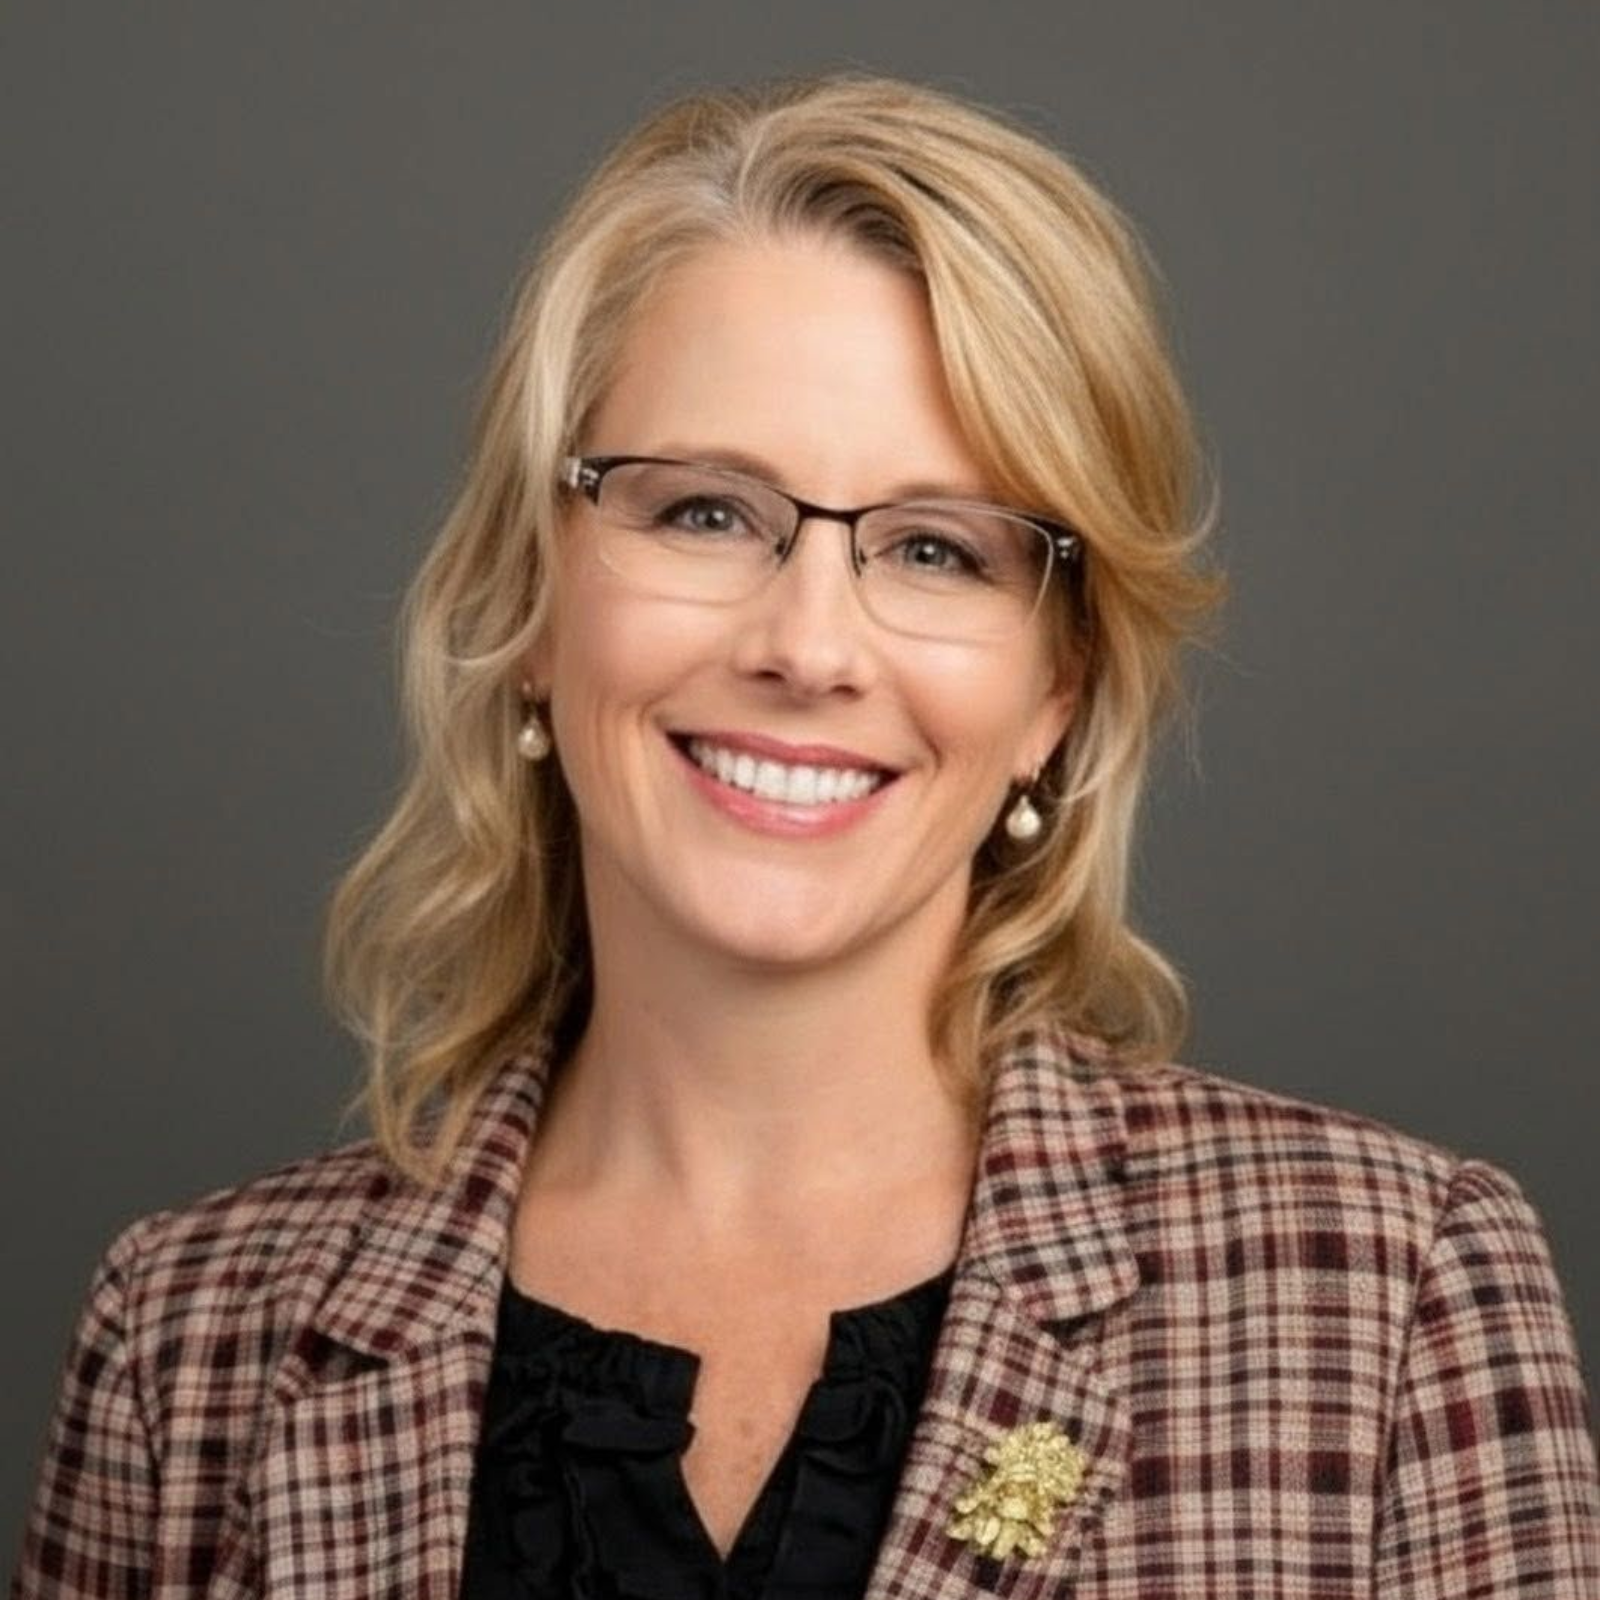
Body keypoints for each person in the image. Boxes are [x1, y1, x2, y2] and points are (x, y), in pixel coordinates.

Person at [12, 72, 1598, 1600]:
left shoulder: (1388, 1292)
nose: (810, 646)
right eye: (705, 512)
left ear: (1056, 689)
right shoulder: (190, 1338)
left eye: (939, 548)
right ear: (532, 599)